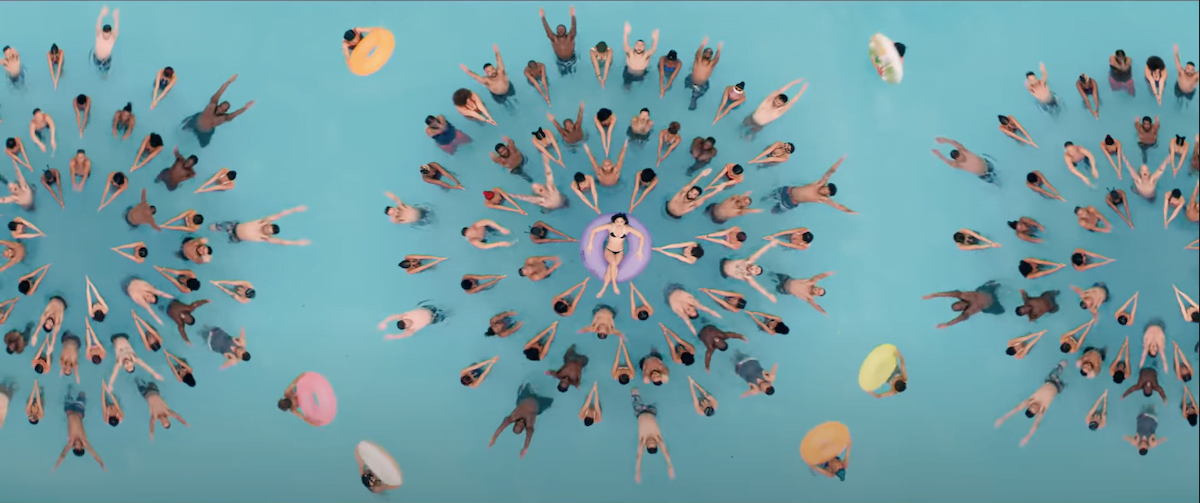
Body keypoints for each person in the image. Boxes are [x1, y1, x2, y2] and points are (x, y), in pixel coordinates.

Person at [995, 360, 1067, 446]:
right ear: (1036, 412)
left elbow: (1016, 409)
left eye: (1032, 407)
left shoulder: (1030, 400)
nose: (1035, 407)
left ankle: (1060, 366)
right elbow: (1035, 424)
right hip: (1058, 387)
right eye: (1035, 410)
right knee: (1066, 380)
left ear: (1029, 406)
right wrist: (1028, 437)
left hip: (1050, 380)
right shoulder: (1041, 410)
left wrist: (1003, 418)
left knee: (1063, 363)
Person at [180, 74, 254, 148]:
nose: (220, 110)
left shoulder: (224, 118)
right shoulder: (212, 104)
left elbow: (235, 114)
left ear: (225, 112)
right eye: (221, 107)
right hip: (195, 122)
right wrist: (228, 82)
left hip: (205, 133)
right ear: (219, 105)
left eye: (223, 110)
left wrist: (245, 108)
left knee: (202, 146)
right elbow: (219, 92)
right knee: (180, 130)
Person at [769, 155, 856, 214]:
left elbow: (838, 206)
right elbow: (830, 172)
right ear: (826, 185)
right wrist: (839, 162)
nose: (825, 190)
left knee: (773, 211)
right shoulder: (819, 184)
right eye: (826, 188)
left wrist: (850, 211)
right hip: (787, 191)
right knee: (768, 196)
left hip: (791, 202)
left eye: (827, 192)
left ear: (827, 194)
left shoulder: (823, 198)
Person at [586, 213, 647, 298]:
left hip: (620, 252)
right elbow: (594, 230)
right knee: (614, 263)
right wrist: (590, 244)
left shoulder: (627, 229)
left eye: (621, 221)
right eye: (617, 221)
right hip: (609, 251)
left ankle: (603, 288)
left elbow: (641, 236)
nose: (619, 223)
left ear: (624, 222)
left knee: (611, 267)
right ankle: (614, 284)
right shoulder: (610, 226)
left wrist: (639, 250)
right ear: (614, 221)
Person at [489, 383, 553, 458]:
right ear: (523, 428)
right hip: (539, 404)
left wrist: (494, 437)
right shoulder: (529, 425)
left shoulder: (513, 417)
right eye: (521, 426)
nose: (520, 422)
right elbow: (528, 437)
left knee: (525, 386)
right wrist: (525, 448)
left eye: (517, 424)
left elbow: (502, 427)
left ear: (515, 423)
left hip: (525, 397)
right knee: (551, 401)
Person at [54, 386, 106, 472]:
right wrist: (101, 464)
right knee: (82, 393)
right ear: (82, 447)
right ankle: (82, 385)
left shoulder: (70, 442)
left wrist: (56, 466)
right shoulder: (84, 440)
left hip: (69, 410)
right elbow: (94, 454)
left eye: (76, 448)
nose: (77, 446)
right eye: (80, 448)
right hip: (79, 411)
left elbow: (63, 454)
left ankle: (70, 386)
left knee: (69, 391)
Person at [630, 388, 674, 483]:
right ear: (656, 444)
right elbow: (665, 452)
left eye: (649, 444)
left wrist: (637, 472)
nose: (651, 442)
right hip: (651, 410)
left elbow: (639, 456)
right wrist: (670, 466)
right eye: (653, 444)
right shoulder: (658, 438)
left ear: (646, 445)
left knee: (634, 391)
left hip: (639, 412)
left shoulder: (642, 440)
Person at [210, 205, 310, 246]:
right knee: (212, 227)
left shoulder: (265, 237)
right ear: (269, 224)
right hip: (233, 226)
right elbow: (280, 214)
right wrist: (295, 209)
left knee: (217, 241)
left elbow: (281, 242)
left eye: (268, 231)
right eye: (267, 228)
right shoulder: (263, 221)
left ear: (269, 234)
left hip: (236, 238)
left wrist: (297, 242)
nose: (266, 230)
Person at [923, 281, 1003, 329]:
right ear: (961, 310)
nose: (961, 305)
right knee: (1001, 311)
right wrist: (947, 324)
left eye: (958, 304)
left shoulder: (964, 295)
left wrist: (935, 295)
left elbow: (950, 294)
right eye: (959, 308)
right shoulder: (968, 312)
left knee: (995, 283)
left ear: (959, 301)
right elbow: (959, 319)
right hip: (992, 305)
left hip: (988, 291)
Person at [931, 137, 996, 184]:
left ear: (959, 152)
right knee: (995, 183)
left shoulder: (964, 151)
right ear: (956, 159)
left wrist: (945, 140)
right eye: (958, 157)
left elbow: (955, 143)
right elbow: (948, 162)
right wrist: (939, 154)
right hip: (984, 175)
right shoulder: (958, 164)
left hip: (987, 164)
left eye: (959, 154)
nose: (960, 157)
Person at [685, 37, 722, 110]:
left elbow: (716, 58)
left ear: (711, 56)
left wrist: (719, 49)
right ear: (703, 53)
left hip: (702, 85)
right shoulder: (698, 60)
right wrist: (702, 44)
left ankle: (694, 100)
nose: (708, 53)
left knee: (695, 96)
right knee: (687, 86)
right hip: (690, 80)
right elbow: (698, 53)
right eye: (706, 51)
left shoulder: (711, 64)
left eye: (710, 53)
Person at [540, 6, 577, 76]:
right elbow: (547, 29)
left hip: (572, 59)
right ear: (556, 31)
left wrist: (573, 16)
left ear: (566, 31)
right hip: (560, 61)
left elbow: (574, 26)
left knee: (574, 73)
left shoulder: (570, 37)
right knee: (563, 75)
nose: (560, 30)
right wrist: (543, 18)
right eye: (559, 29)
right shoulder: (554, 39)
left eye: (562, 29)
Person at [621, 22, 659, 91]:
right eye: (637, 44)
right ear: (634, 46)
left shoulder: (646, 55)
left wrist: (655, 39)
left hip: (641, 75)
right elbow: (625, 44)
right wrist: (626, 33)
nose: (639, 47)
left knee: (641, 86)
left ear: (644, 48)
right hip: (628, 74)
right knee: (626, 89)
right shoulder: (630, 53)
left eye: (642, 45)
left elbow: (653, 49)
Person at [378, 304, 445, 340]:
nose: (407, 322)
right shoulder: (411, 330)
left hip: (429, 309)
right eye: (406, 324)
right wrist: (392, 337)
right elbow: (403, 335)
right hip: (434, 318)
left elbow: (392, 317)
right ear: (406, 327)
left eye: (405, 321)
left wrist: (384, 322)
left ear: (403, 319)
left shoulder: (404, 316)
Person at [92, 6, 119, 73]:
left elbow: (116, 29)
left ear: (110, 33)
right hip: (97, 58)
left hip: (106, 61)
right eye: (105, 33)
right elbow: (98, 24)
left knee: (105, 74)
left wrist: (116, 17)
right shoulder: (99, 35)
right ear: (102, 32)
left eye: (108, 34)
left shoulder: (112, 39)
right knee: (97, 69)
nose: (106, 35)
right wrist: (102, 14)